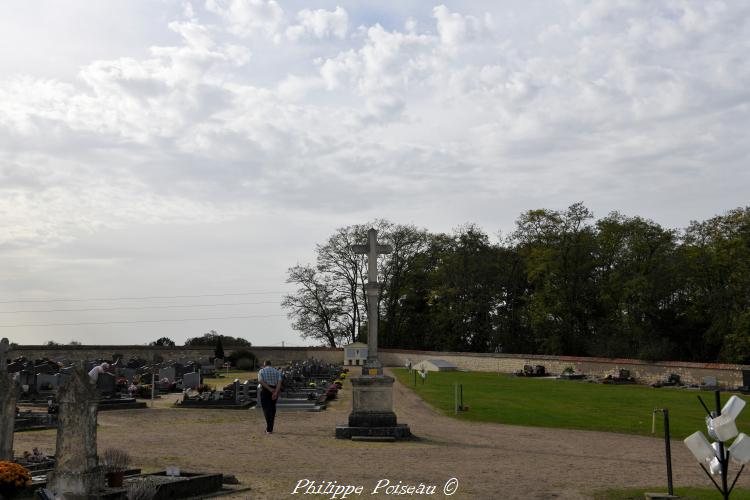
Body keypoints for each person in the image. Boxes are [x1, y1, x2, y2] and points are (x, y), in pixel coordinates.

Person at [257, 360, 282, 433]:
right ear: (271, 365)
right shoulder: (277, 371)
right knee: (272, 408)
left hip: (265, 390)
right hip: (275, 389)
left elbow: (260, 381)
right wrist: (275, 392)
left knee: (266, 409)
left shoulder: (261, 371)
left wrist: (270, 390)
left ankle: (269, 429)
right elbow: (279, 382)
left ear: (264, 365)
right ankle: (270, 428)